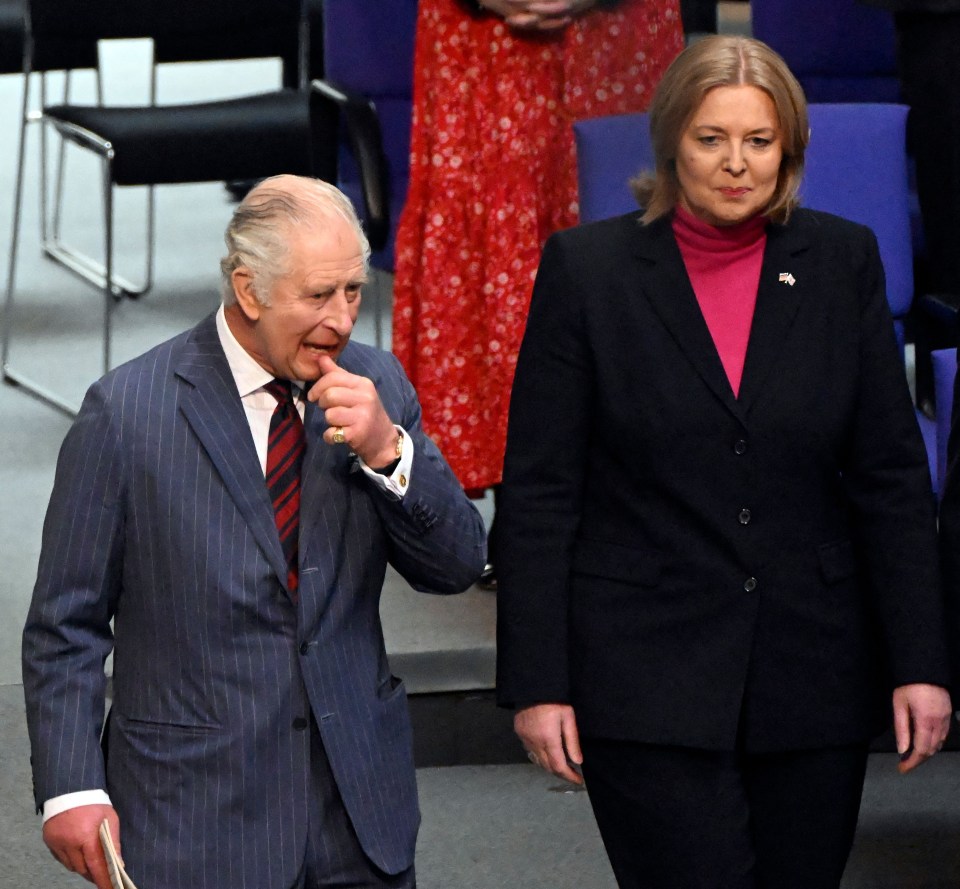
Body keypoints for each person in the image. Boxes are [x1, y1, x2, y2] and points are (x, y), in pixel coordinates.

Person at [496, 35, 953, 889]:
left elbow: (889, 478)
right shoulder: (587, 272)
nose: (736, 164)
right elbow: (540, 493)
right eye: (712, 139)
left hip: (811, 668)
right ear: (672, 142)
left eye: (759, 141)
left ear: (790, 151)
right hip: (644, 673)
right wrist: (537, 681)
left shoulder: (843, 260)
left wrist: (921, 661)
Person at [22, 175, 487, 889]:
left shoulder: (376, 386)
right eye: (317, 295)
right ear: (248, 290)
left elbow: (457, 565)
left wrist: (388, 455)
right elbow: (65, 626)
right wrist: (72, 785)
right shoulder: (128, 413)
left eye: (354, 292)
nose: (341, 320)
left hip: (358, 814)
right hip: (196, 820)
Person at [392, 0, 684, 585]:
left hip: (618, 34)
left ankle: (640, 494)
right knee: (496, 260)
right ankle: (522, 504)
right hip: (481, 42)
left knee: (623, 232)